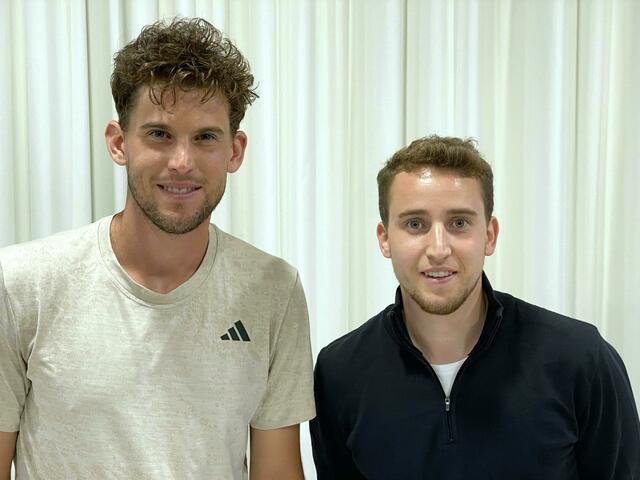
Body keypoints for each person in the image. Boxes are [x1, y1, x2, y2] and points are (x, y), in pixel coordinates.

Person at [0, 18, 314, 479]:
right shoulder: (22, 282)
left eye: (205, 137)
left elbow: (276, 473)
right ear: (118, 142)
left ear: (235, 150)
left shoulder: (274, 290)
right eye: (159, 134)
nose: (182, 162)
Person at [310, 135, 640, 479]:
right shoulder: (339, 374)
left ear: (490, 235)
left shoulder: (580, 359)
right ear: (384, 238)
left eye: (459, 223)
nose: (438, 248)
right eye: (415, 224)